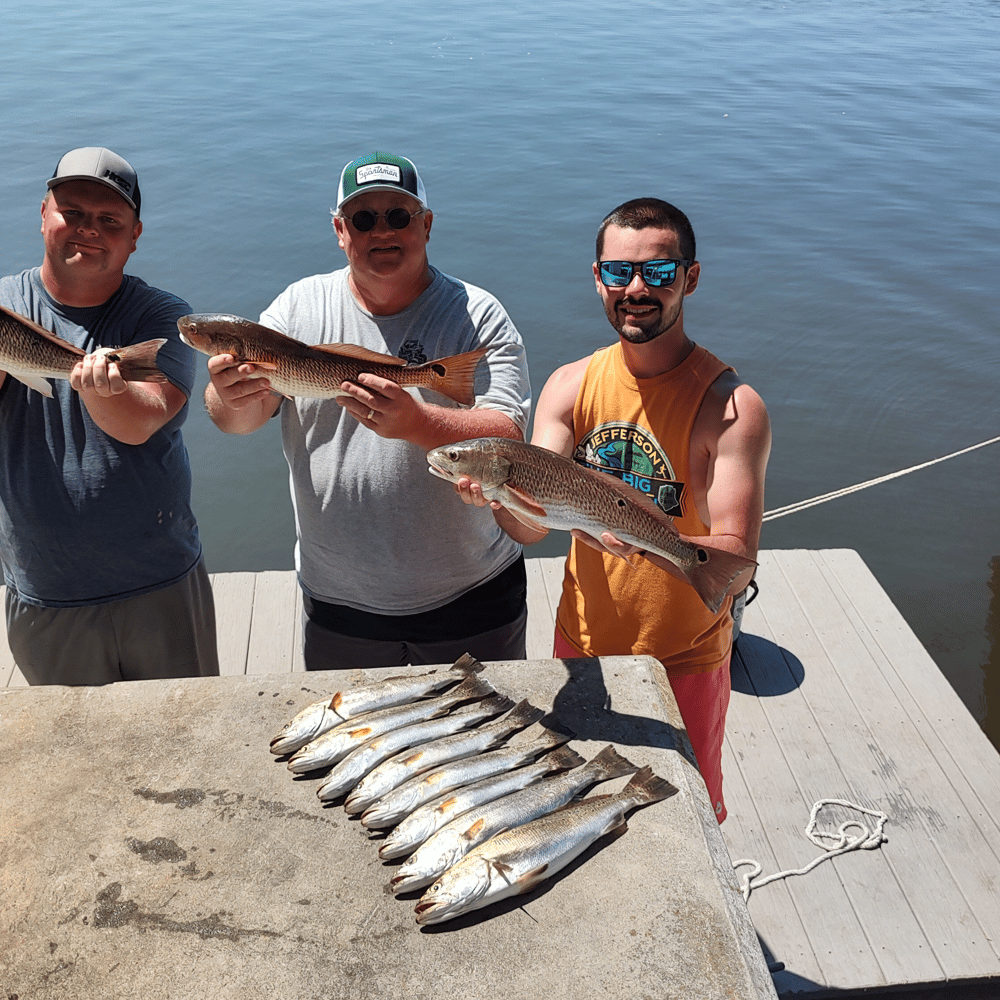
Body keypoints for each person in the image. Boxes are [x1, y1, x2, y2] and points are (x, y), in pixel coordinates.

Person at [455, 198, 771, 822]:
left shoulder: (731, 405)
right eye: (617, 272)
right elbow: (528, 526)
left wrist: (665, 540)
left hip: (685, 654)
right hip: (583, 642)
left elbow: (736, 551)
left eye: (657, 273)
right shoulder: (570, 385)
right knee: (572, 799)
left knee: (688, 818)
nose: (635, 289)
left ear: (691, 277)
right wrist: (496, 495)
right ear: (596, 276)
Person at [204, 151, 531, 669]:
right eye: (363, 219)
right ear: (340, 229)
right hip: (340, 604)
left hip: (472, 597)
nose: (383, 231)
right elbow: (237, 420)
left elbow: (509, 438)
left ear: (426, 224)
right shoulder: (295, 309)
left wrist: (419, 424)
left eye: (399, 216)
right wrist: (227, 394)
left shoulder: (478, 315)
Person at [0, 146, 219, 684]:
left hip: (160, 582)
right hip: (46, 589)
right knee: (72, 756)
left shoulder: (162, 315)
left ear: (135, 234)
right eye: (72, 213)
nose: (88, 230)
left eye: (108, 220)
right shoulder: (6, 303)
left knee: (187, 743)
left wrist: (101, 389)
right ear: (43, 213)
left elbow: (143, 420)